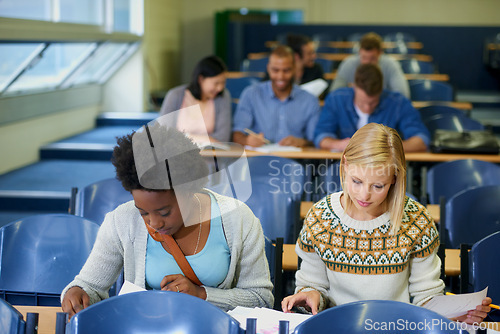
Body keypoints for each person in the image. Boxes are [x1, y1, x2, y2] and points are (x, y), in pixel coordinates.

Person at [282, 123, 492, 324]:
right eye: (356, 181)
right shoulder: (320, 216)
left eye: (378, 186)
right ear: (345, 164)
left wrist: (458, 314)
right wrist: (309, 294)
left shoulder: (416, 221)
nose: (364, 194)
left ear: (394, 178)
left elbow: (427, 297)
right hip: (337, 326)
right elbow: (312, 285)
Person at [61, 121, 274, 317]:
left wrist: (202, 295)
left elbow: (261, 299)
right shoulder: (121, 220)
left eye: (164, 212)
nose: (153, 223)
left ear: (189, 190)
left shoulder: (238, 218)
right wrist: (76, 293)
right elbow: (89, 286)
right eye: (143, 212)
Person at [314, 63, 429, 152]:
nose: (367, 109)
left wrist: (388, 149)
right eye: (362, 103)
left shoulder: (398, 103)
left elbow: (421, 140)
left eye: (373, 103)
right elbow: (321, 136)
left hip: (385, 168)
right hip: (343, 166)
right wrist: (339, 145)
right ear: (353, 86)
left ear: (381, 91)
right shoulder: (336, 99)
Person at [233, 45, 320, 148]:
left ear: (294, 69)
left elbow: (316, 140)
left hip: (297, 161)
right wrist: (247, 140)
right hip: (258, 159)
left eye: (286, 70)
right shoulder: (251, 94)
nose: (280, 76)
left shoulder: (309, 100)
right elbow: (237, 134)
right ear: (268, 68)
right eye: (275, 70)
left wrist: (303, 143)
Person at [159, 55, 231, 143]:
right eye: (216, 83)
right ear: (201, 79)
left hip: (209, 154)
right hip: (176, 154)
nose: (220, 88)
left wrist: (183, 138)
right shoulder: (175, 95)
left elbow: (222, 137)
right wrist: (206, 139)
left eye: (223, 83)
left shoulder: (223, 97)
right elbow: (163, 133)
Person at [331, 32, 410, 98]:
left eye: (372, 58)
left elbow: (403, 94)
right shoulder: (348, 64)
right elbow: (334, 93)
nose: (367, 62)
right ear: (359, 52)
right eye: (364, 57)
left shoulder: (391, 64)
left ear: (380, 53)